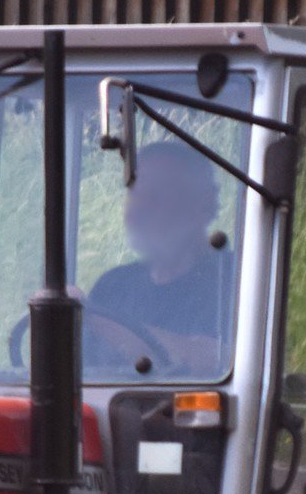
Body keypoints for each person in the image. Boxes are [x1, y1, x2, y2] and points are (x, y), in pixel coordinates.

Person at [86, 142, 230, 375]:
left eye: (155, 195)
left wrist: (100, 321)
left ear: (203, 205)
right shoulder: (112, 286)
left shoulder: (233, 281)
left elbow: (212, 364)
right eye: (134, 194)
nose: (136, 210)